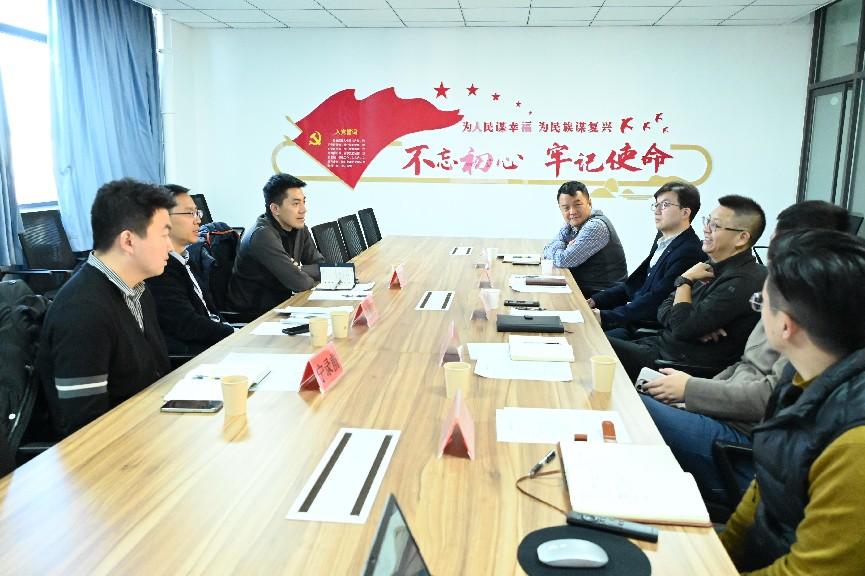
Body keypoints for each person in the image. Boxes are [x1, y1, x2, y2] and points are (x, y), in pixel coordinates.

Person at [639, 201, 851, 504]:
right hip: (720, 407)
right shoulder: (777, 289)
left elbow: (770, 397)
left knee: (634, 408)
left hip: (742, 441)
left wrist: (691, 390)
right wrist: (693, 394)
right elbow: (741, 360)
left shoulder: (811, 317)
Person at [720, 229, 865, 575]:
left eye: (761, 303)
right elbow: (764, 490)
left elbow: (807, 573)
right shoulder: (799, 377)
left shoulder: (855, 446)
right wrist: (718, 556)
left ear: (785, 326)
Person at [37, 179, 174, 437]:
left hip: (150, 429)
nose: (170, 245)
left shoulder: (137, 290)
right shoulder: (82, 312)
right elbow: (85, 427)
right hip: (113, 449)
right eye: (164, 235)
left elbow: (153, 376)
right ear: (128, 241)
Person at [608, 195, 767, 381]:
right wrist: (689, 321)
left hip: (674, 364)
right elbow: (665, 307)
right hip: (657, 344)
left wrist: (684, 281)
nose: (706, 229)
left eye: (715, 225)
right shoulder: (709, 265)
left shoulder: (742, 281)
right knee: (590, 337)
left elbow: (681, 327)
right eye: (707, 221)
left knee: (591, 347)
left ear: (742, 238)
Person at [587, 181, 704, 337]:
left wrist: (606, 317)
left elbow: (656, 300)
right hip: (633, 318)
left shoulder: (689, 251)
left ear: (685, 212)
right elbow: (633, 285)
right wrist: (595, 301)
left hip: (647, 329)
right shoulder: (663, 240)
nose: (657, 211)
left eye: (665, 205)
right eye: (656, 205)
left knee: (587, 338)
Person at [146, 184, 234, 354]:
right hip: (197, 355)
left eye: (197, 213)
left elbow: (211, 314)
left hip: (217, 342)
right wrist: (234, 333)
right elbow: (186, 324)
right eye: (189, 213)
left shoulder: (187, 259)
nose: (198, 220)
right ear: (162, 218)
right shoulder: (160, 269)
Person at [228, 173, 325, 317]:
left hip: (283, 305)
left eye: (304, 202)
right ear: (275, 209)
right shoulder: (262, 235)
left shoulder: (299, 228)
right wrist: (297, 273)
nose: (303, 209)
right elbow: (301, 283)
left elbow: (323, 268)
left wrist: (297, 269)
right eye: (296, 204)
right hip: (255, 315)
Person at [542, 180, 627, 298]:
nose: (572, 212)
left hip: (602, 297)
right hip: (584, 290)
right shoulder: (572, 224)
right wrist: (563, 246)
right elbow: (547, 248)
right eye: (566, 208)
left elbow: (562, 260)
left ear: (589, 203)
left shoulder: (596, 226)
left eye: (577, 205)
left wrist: (561, 249)